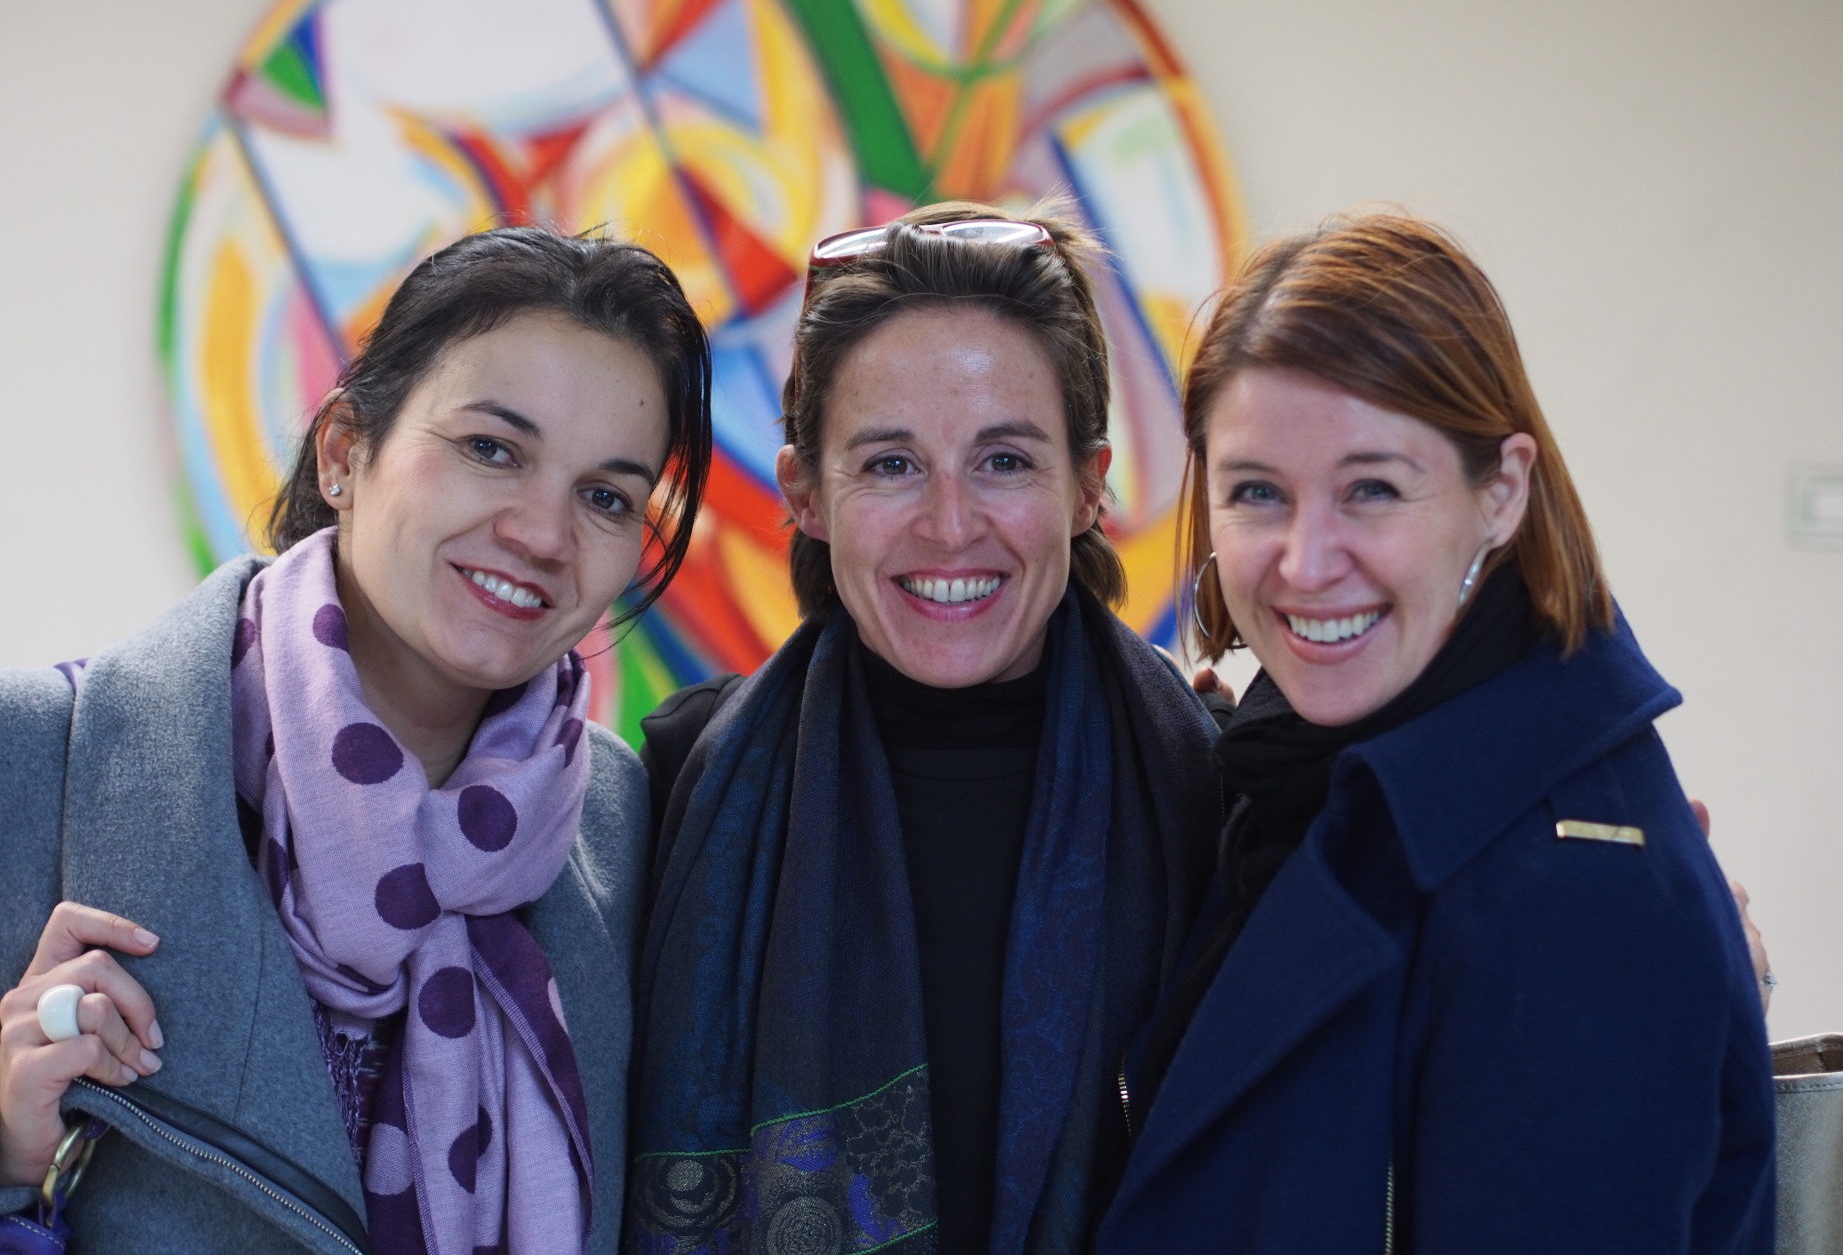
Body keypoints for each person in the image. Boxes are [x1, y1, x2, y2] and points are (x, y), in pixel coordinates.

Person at [0, 228, 712, 1255]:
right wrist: (8, 1162)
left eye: (605, 496)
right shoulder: (37, 766)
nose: (541, 534)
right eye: (491, 449)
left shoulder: (626, 834)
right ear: (343, 451)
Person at [1097, 214, 1776, 1253]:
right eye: (1257, 492)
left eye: (1371, 488)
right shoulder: (1290, 783)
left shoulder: (1576, 893)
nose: (1304, 560)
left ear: (1500, 492)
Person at [626, 204, 1222, 1255]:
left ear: (1087, 488)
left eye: (1004, 461)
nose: (950, 525)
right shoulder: (677, 788)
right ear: (806, 493)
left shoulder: (1215, 796)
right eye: (891, 464)